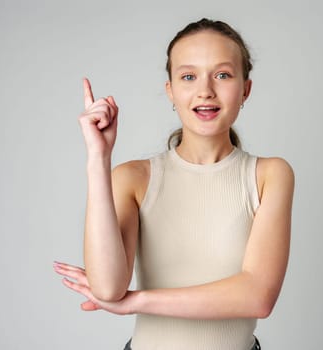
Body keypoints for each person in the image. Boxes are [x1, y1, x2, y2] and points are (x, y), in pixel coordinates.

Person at [53, 18, 294, 350]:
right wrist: (98, 158)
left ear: (245, 90)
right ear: (171, 90)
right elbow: (108, 289)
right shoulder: (132, 178)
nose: (205, 90)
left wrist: (136, 302)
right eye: (188, 76)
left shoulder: (270, 175)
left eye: (222, 75)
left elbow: (258, 297)